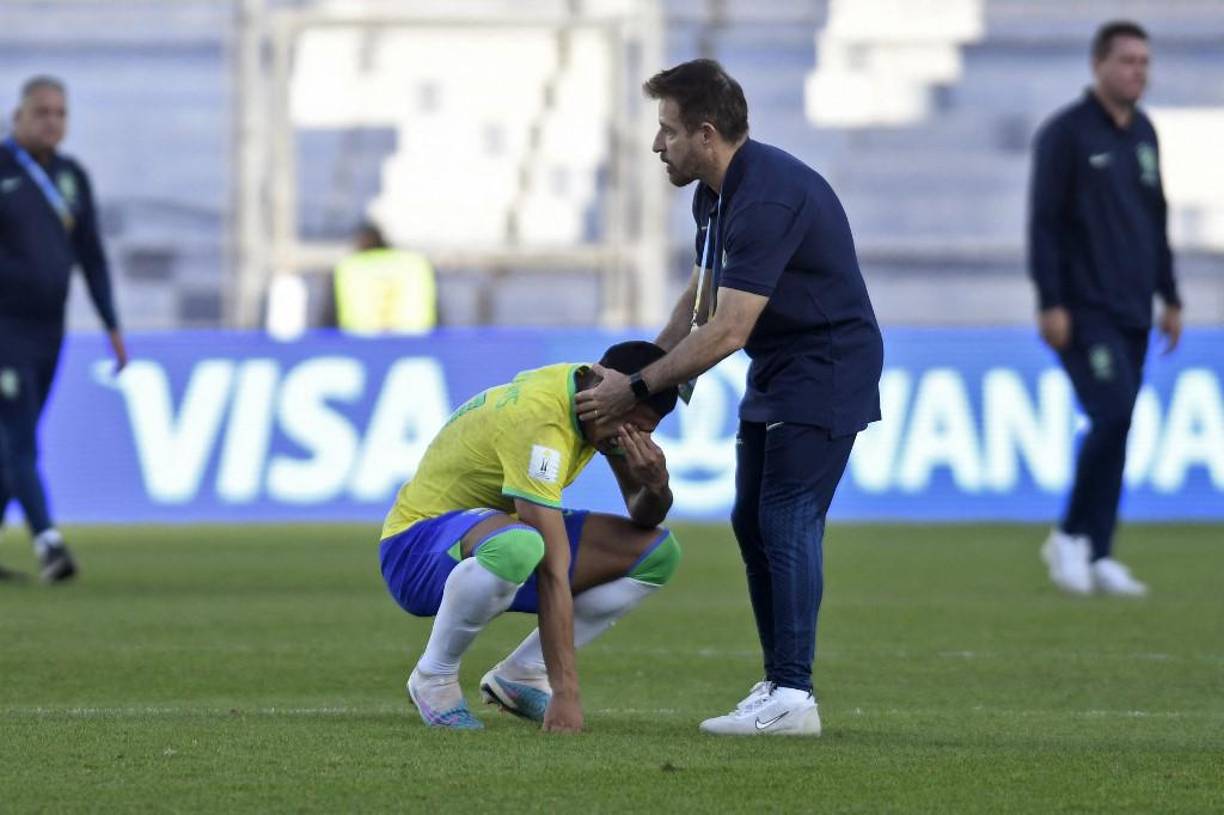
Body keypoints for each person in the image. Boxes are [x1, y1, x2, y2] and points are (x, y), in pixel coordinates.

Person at [577, 59, 883, 736]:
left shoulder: (768, 196)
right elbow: (700, 296)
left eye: (668, 130)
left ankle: (795, 695)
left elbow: (729, 327)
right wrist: (643, 371)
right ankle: (779, 681)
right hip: (783, 365)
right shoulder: (715, 194)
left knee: (787, 517)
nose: (658, 145)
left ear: (706, 134)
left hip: (828, 365)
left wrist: (636, 388)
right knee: (752, 520)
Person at [379, 341, 682, 732]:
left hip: (495, 542)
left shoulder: (597, 401)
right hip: (414, 552)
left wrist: (657, 485)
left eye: (643, 431)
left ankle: (521, 674)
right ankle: (433, 677)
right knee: (524, 544)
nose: (627, 438)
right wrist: (566, 694)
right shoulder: (540, 418)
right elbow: (554, 569)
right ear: (602, 384)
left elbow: (643, 515)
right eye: (630, 424)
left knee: (657, 553)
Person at [1028, 21, 1180, 598]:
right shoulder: (1065, 135)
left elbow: (1155, 218)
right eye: (1128, 62)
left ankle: (1101, 549)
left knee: (1119, 424)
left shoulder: (1143, 133)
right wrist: (1051, 302)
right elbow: (1044, 225)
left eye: (1144, 62)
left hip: (1135, 308)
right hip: (1083, 308)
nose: (1138, 71)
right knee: (1112, 413)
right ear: (1098, 66)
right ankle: (1070, 535)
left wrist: (1171, 294)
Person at [0, 76, 126, 583]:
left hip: (50, 331)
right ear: (19, 118)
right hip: (4, 328)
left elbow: (91, 257)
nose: (52, 121)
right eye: (42, 112)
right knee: (19, 438)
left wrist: (112, 325)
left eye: (60, 113)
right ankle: (49, 543)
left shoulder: (73, 177)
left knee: (15, 444)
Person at [329, 221, 437, 334]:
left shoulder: (349, 266)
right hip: (416, 340)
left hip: (360, 340)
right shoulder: (414, 263)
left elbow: (329, 315)